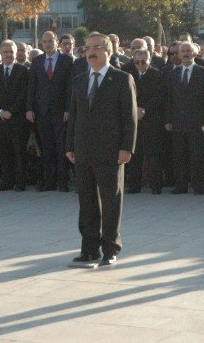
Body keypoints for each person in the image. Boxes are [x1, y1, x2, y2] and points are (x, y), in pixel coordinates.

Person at [66, 32, 137, 266]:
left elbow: (129, 118)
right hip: (83, 151)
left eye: (96, 47)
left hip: (111, 151)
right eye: (87, 48)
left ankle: (110, 248)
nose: (91, 52)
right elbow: (74, 116)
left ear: (108, 51)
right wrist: (70, 145)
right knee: (86, 202)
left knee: (110, 202)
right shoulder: (79, 79)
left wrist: (127, 147)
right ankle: (89, 248)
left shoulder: (121, 79)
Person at [26, 31, 74, 192]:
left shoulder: (67, 60)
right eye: (44, 41)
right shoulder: (37, 61)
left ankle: (63, 180)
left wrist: (68, 109)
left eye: (50, 41)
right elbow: (32, 86)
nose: (47, 44)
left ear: (56, 42)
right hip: (42, 111)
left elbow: (70, 88)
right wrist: (29, 108)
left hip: (61, 111)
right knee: (46, 147)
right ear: (41, 44)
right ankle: (49, 180)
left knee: (61, 147)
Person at [165, 41, 204, 195]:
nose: (185, 53)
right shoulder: (172, 74)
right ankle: (181, 186)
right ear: (178, 55)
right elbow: (169, 99)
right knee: (179, 155)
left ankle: (198, 186)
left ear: (195, 53)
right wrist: (168, 120)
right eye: (183, 51)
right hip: (178, 122)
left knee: (197, 155)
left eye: (188, 51)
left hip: (198, 123)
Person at [0, 40, 29, 191]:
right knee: (4, 151)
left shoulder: (23, 71)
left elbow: (23, 94)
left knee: (19, 151)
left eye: (11, 52)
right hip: (0, 119)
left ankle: (20, 182)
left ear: (16, 53)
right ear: (1, 53)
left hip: (17, 119)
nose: (8, 55)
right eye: (5, 52)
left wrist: (11, 111)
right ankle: (6, 180)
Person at [127, 49, 165, 194]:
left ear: (150, 60)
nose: (140, 65)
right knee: (135, 154)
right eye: (137, 62)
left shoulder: (158, 75)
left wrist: (145, 110)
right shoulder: (129, 75)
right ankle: (134, 185)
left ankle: (156, 186)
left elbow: (160, 96)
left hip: (152, 120)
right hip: (134, 119)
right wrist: (134, 110)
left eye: (143, 62)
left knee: (154, 154)